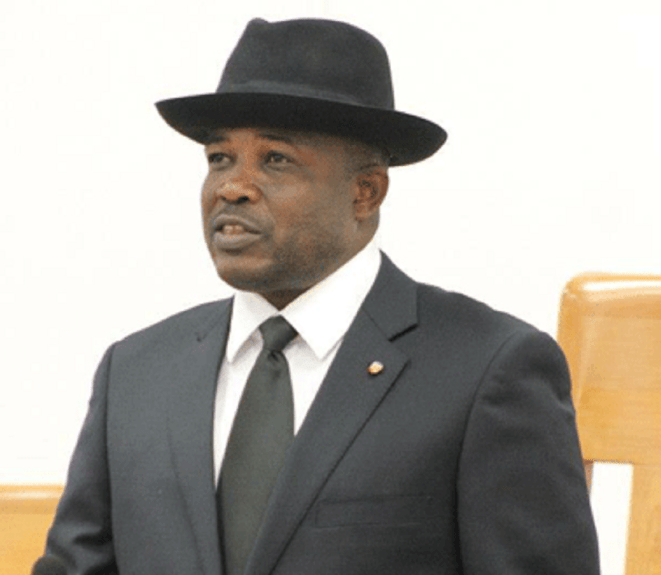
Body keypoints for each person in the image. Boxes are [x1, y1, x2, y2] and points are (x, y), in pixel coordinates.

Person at [37, 17, 600, 575]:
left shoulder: (486, 371)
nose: (232, 187)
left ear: (366, 192)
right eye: (219, 159)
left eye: (275, 160)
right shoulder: (136, 374)